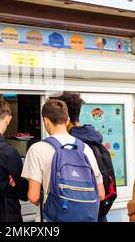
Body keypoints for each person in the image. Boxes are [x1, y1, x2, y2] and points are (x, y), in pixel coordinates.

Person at [21, 99, 105, 222]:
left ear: (45, 121)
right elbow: (101, 194)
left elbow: (33, 197)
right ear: (68, 121)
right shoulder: (85, 148)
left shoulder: (37, 149)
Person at [51, 91, 112, 222]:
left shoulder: (70, 146)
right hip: (98, 214)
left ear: (64, 118)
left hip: (75, 215)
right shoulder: (94, 140)